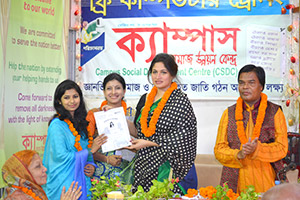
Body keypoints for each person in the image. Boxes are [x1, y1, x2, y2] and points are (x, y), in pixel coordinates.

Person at [126, 53, 198, 194]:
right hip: (145, 167)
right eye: (154, 72)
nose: (158, 76)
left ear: (172, 74)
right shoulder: (145, 99)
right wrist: (119, 120)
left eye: (163, 72)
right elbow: (139, 132)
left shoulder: (180, 101)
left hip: (169, 169)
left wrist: (147, 143)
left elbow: (184, 138)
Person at [214, 64, 288, 194]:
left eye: (251, 83)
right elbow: (219, 149)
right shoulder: (229, 113)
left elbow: (282, 148)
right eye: (241, 83)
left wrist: (258, 149)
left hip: (266, 178)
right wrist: (238, 154)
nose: (245, 87)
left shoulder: (275, 112)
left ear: (261, 87)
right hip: (235, 180)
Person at [42, 80, 107, 200]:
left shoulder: (81, 124)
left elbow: (85, 150)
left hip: (82, 179)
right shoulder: (57, 125)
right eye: (66, 97)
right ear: (59, 101)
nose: (72, 101)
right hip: (65, 184)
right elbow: (61, 156)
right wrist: (90, 151)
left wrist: (91, 165)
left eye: (75, 96)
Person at [86, 73, 129, 180]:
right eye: (109, 88)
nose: (113, 92)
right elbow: (86, 148)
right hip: (100, 174)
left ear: (124, 91)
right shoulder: (94, 115)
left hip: (126, 173)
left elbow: (140, 143)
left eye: (118, 88)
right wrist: (107, 159)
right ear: (104, 92)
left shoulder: (132, 115)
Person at [2, 150, 81, 200]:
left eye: (42, 164)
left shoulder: (34, 190)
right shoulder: (16, 197)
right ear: (24, 173)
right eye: (38, 166)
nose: (45, 169)